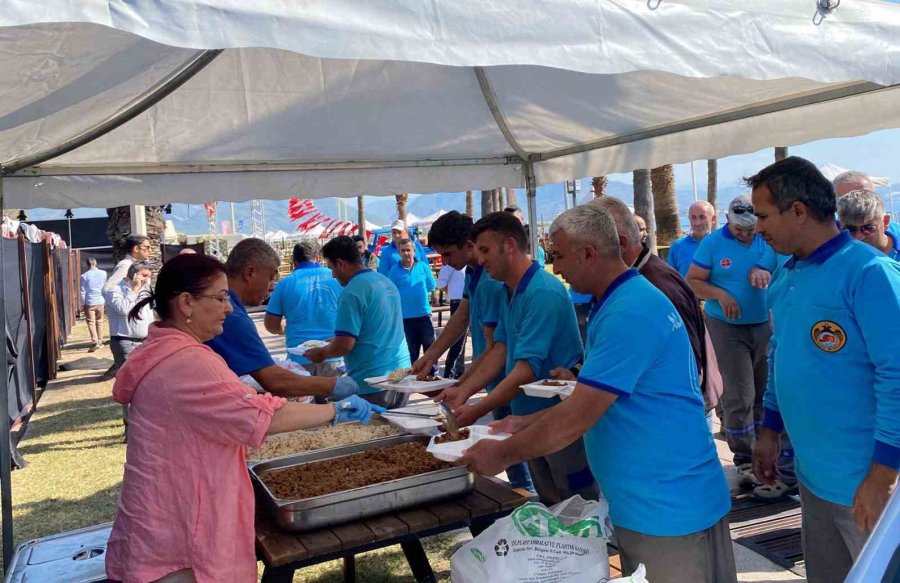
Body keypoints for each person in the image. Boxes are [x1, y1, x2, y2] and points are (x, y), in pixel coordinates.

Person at [459, 205, 735, 583]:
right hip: (659, 498)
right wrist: (525, 420)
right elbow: (594, 395)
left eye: (557, 256)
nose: (555, 268)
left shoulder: (629, 311)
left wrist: (501, 454)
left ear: (589, 253)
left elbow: (576, 418)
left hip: (667, 506)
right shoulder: (619, 302)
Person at [105, 253, 382, 582]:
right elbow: (260, 418)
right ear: (186, 303)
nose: (228, 308)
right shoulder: (188, 362)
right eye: (221, 298)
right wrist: (335, 409)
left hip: (162, 517)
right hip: (178, 533)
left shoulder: (161, 349)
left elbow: (229, 409)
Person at [748, 157, 900, 582]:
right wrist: (769, 429)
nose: (757, 227)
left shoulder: (869, 273)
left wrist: (883, 474)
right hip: (814, 479)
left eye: (763, 215)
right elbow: (782, 355)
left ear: (798, 211)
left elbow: (897, 374)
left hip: (868, 483)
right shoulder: (788, 275)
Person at [439, 211, 596, 505]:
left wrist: (476, 409)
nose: (480, 259)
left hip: (557, 422)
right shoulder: (507, 291)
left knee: (579, 506)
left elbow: (525, 369)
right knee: (550, 503)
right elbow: (499, 349)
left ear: (510, 245)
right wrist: (464, 391)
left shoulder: (542, 292)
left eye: (485, 250)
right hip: (525, 420)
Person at [411, 211, 535, 493]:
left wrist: (464, 386)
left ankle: (526, 505)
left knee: (513, 457)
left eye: (448, 254)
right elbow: (461, 316)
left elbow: (496, 348)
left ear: (470, 246)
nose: (445, 262)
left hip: (504, 379)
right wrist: (431, 355)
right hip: (489, 377)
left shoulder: (492, 282)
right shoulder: (472, 273)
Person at [687, 195, 779, 490]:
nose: (745, 234)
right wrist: (721, 295)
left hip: (763, 323)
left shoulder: (766, 239)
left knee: (764, 392)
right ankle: (742, 458)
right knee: (739, 394)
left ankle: (767, 454)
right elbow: (694, 280)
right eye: (739, 230)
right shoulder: (713, 244)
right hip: (726, 327)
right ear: (727, 221)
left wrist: (765, 273)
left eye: (750, 229)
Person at [590, 197, 714, 411]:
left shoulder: (657, 284)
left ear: (620, 243)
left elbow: (690, 362)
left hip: (673, 414)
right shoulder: (640, 277)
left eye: (591, 249)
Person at [206, 238, 356, 401]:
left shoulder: (285, 284)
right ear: (250, 273)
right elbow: (274, 381)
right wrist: (334, 386)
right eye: (270, 278)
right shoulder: (233, 317)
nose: (272, 286)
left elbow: (271, 326)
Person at [306, 236, 411, 409]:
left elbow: (345, 345)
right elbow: (376, 326)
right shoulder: (385, 281)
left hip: (373, 379)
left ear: (340, 263)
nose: (333, 275)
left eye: (332, 268)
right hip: (401, 372)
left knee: (376, 432)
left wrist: (321, 354)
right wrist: (337, 338)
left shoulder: (352, 291)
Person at [264, 240, 344, 379]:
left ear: (294, 261)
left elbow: (271, 325)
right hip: (333, 355)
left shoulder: (285, 284)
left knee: (304, 400)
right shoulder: (337, 278)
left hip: (299, 359)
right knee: (336, 399)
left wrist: (281, 330)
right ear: (318, 257)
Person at [105, 261, 154, 441]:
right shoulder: (114, 290)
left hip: (146, 341)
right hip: (125, 342)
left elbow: (150, 313)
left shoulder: (146, 289)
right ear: (134, 274)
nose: (147, 280)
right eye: (144, 276)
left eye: (149, 276)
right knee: (129, 386)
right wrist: (134, 289)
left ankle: (147, 424)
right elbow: (125, 309)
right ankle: (130, 428)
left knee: (148, 384)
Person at [387, 238, 437, 365]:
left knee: (430, 349)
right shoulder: (394, 271)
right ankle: (412, 379)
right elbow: (391, 294)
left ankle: (432, 376)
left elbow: (431, 286)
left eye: (408, 250)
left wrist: (435, 298)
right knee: (411, 352)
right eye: (402, 250)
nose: (406, 253)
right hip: (405, 318)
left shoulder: (423, 267)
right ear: (399, 252)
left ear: (414, 251)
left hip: (424, 315)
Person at [834, 170, 900, 240]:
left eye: (865, 195)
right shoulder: (828, 238)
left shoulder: (896, 232)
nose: (857, 203)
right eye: (847, 198)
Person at [836, 190, 899, 260]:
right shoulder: (837, 258)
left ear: (885, 222)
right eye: (851, 229)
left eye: (868, 228)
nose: (858, 237)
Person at [435, 261, 467, 378]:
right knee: (457, 340)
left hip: (473, 300)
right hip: (458, 301)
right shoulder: (451, 262)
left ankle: (460, 371)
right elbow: (440, 283)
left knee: (471, 339)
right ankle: (450, 372)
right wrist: (453, 292)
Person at [667, 201, 716, 277]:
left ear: (713, 219)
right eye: (693, 218)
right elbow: (671, 280)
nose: (697, 223)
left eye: (702, 217)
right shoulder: (677, 246)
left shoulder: (722, 244)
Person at [80, 257, 107, 352]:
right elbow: (104, 286)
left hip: (90, 301)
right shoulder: (103, 273)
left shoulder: (84, 276)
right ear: (96, 263)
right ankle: (100, 340)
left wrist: (83, 303)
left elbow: (82, 291)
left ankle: (95, 341)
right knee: (99, 321)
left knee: (91, 322)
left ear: (88, 264)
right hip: (100, 300)